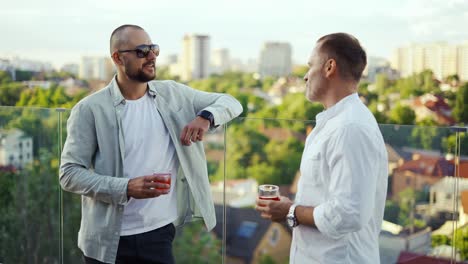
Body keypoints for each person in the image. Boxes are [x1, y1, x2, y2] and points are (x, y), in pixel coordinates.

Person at [60, 24, 243, 264]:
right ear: (117, 57)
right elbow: (69, 174)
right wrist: (126, 188)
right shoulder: (89, 109)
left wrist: (205, 117)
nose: (152, 56)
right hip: (107, 241)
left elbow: (231, 102)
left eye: (154, 49)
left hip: (159, 234)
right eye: (141, 51)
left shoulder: (173, 94)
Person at [255, 33, 388, 263]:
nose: (306, 76)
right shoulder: (337, 123)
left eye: (310, 65)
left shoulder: (350, 128)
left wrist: (290, 211)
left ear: (329, 67)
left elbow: (349, 213)